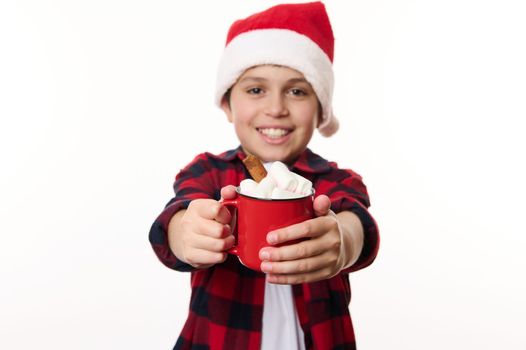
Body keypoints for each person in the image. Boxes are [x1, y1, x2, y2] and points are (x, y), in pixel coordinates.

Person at [149, 2, 379, 349]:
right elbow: (176, 220)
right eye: (256, 90)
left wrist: (343, 242)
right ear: (227, 105)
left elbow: (356, 221)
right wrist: (188, 233)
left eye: (297, 91)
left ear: (321, 109)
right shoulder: (210, 173)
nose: (276, 108)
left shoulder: (334, 180)